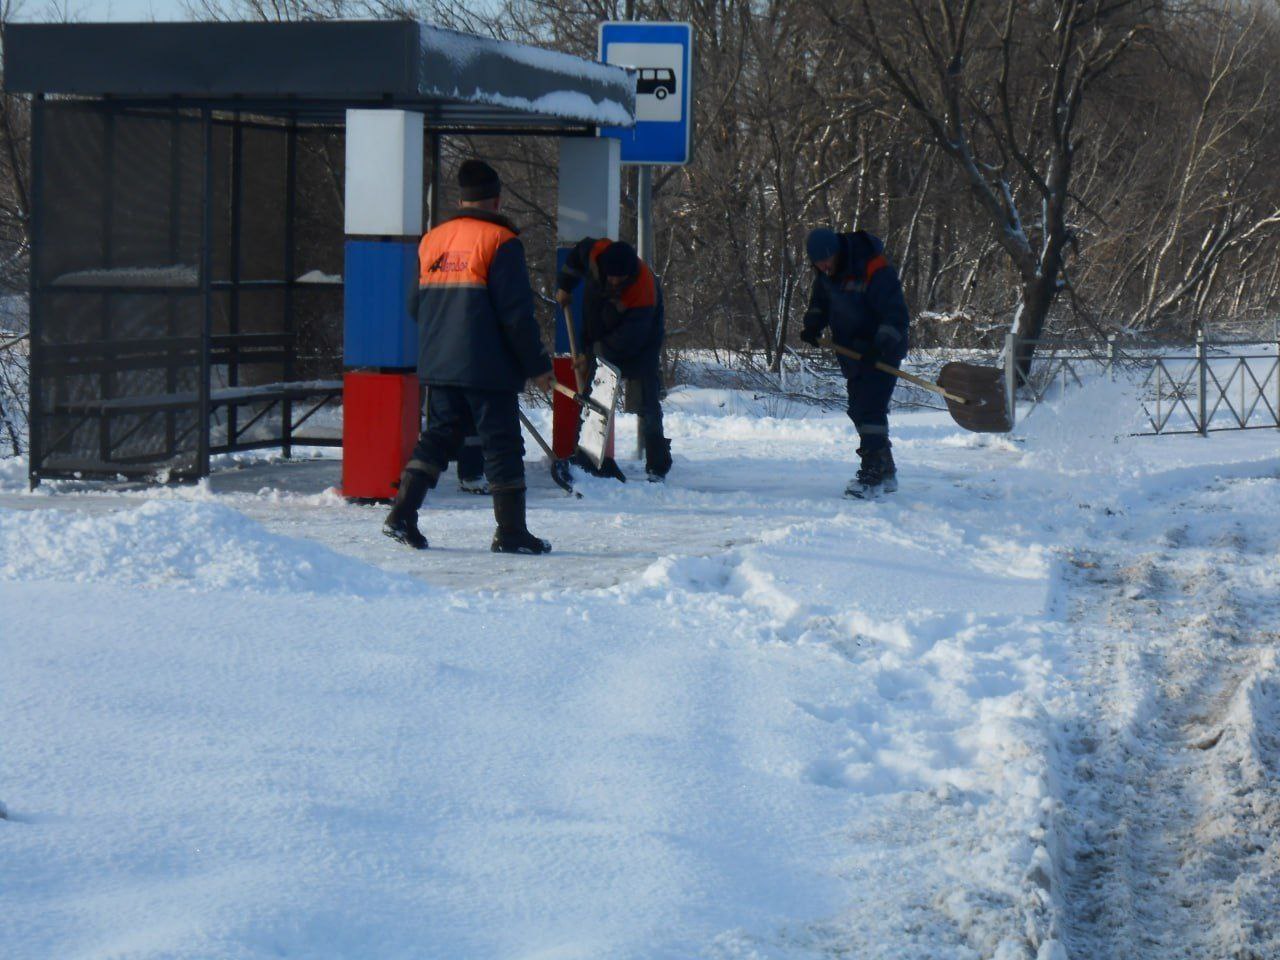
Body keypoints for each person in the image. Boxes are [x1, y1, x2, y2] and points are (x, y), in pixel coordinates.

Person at [383, 159, 555, 553]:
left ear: (462, 198)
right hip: (487, 366)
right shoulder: (500, 241)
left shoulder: (433, 241)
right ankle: (511, 532)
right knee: (502, 445)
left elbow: (415, 305)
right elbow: (516, 316)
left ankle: (402, 514)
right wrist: (538, 366)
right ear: (496, 200)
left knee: (438, 438)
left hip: (440, 363)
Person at [799, 227, 910, 498]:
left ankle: (873, 474)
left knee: (870, 409)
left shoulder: (872, 265)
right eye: (818, 263)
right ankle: (886, 470)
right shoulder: (826, 274)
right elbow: (820, 302)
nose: (824, 267)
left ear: (837, 251)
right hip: (851, 351)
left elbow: (896, 313)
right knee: (859, 410)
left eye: (827, 260)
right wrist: (813, 324)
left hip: (882, 350)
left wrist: (880, 345)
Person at [554, 238, 672, 482]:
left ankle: (657, 466)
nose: (614, 281)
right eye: (611, 276)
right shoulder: (594, 253)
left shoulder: (643, 291)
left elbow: (628, 340)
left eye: (620, 278)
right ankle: (587, 458)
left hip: (642, 343)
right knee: (595, 398)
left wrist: (593, 357)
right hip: (599, 323)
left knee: (646, 402)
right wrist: (565, 285)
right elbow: (575, 260)